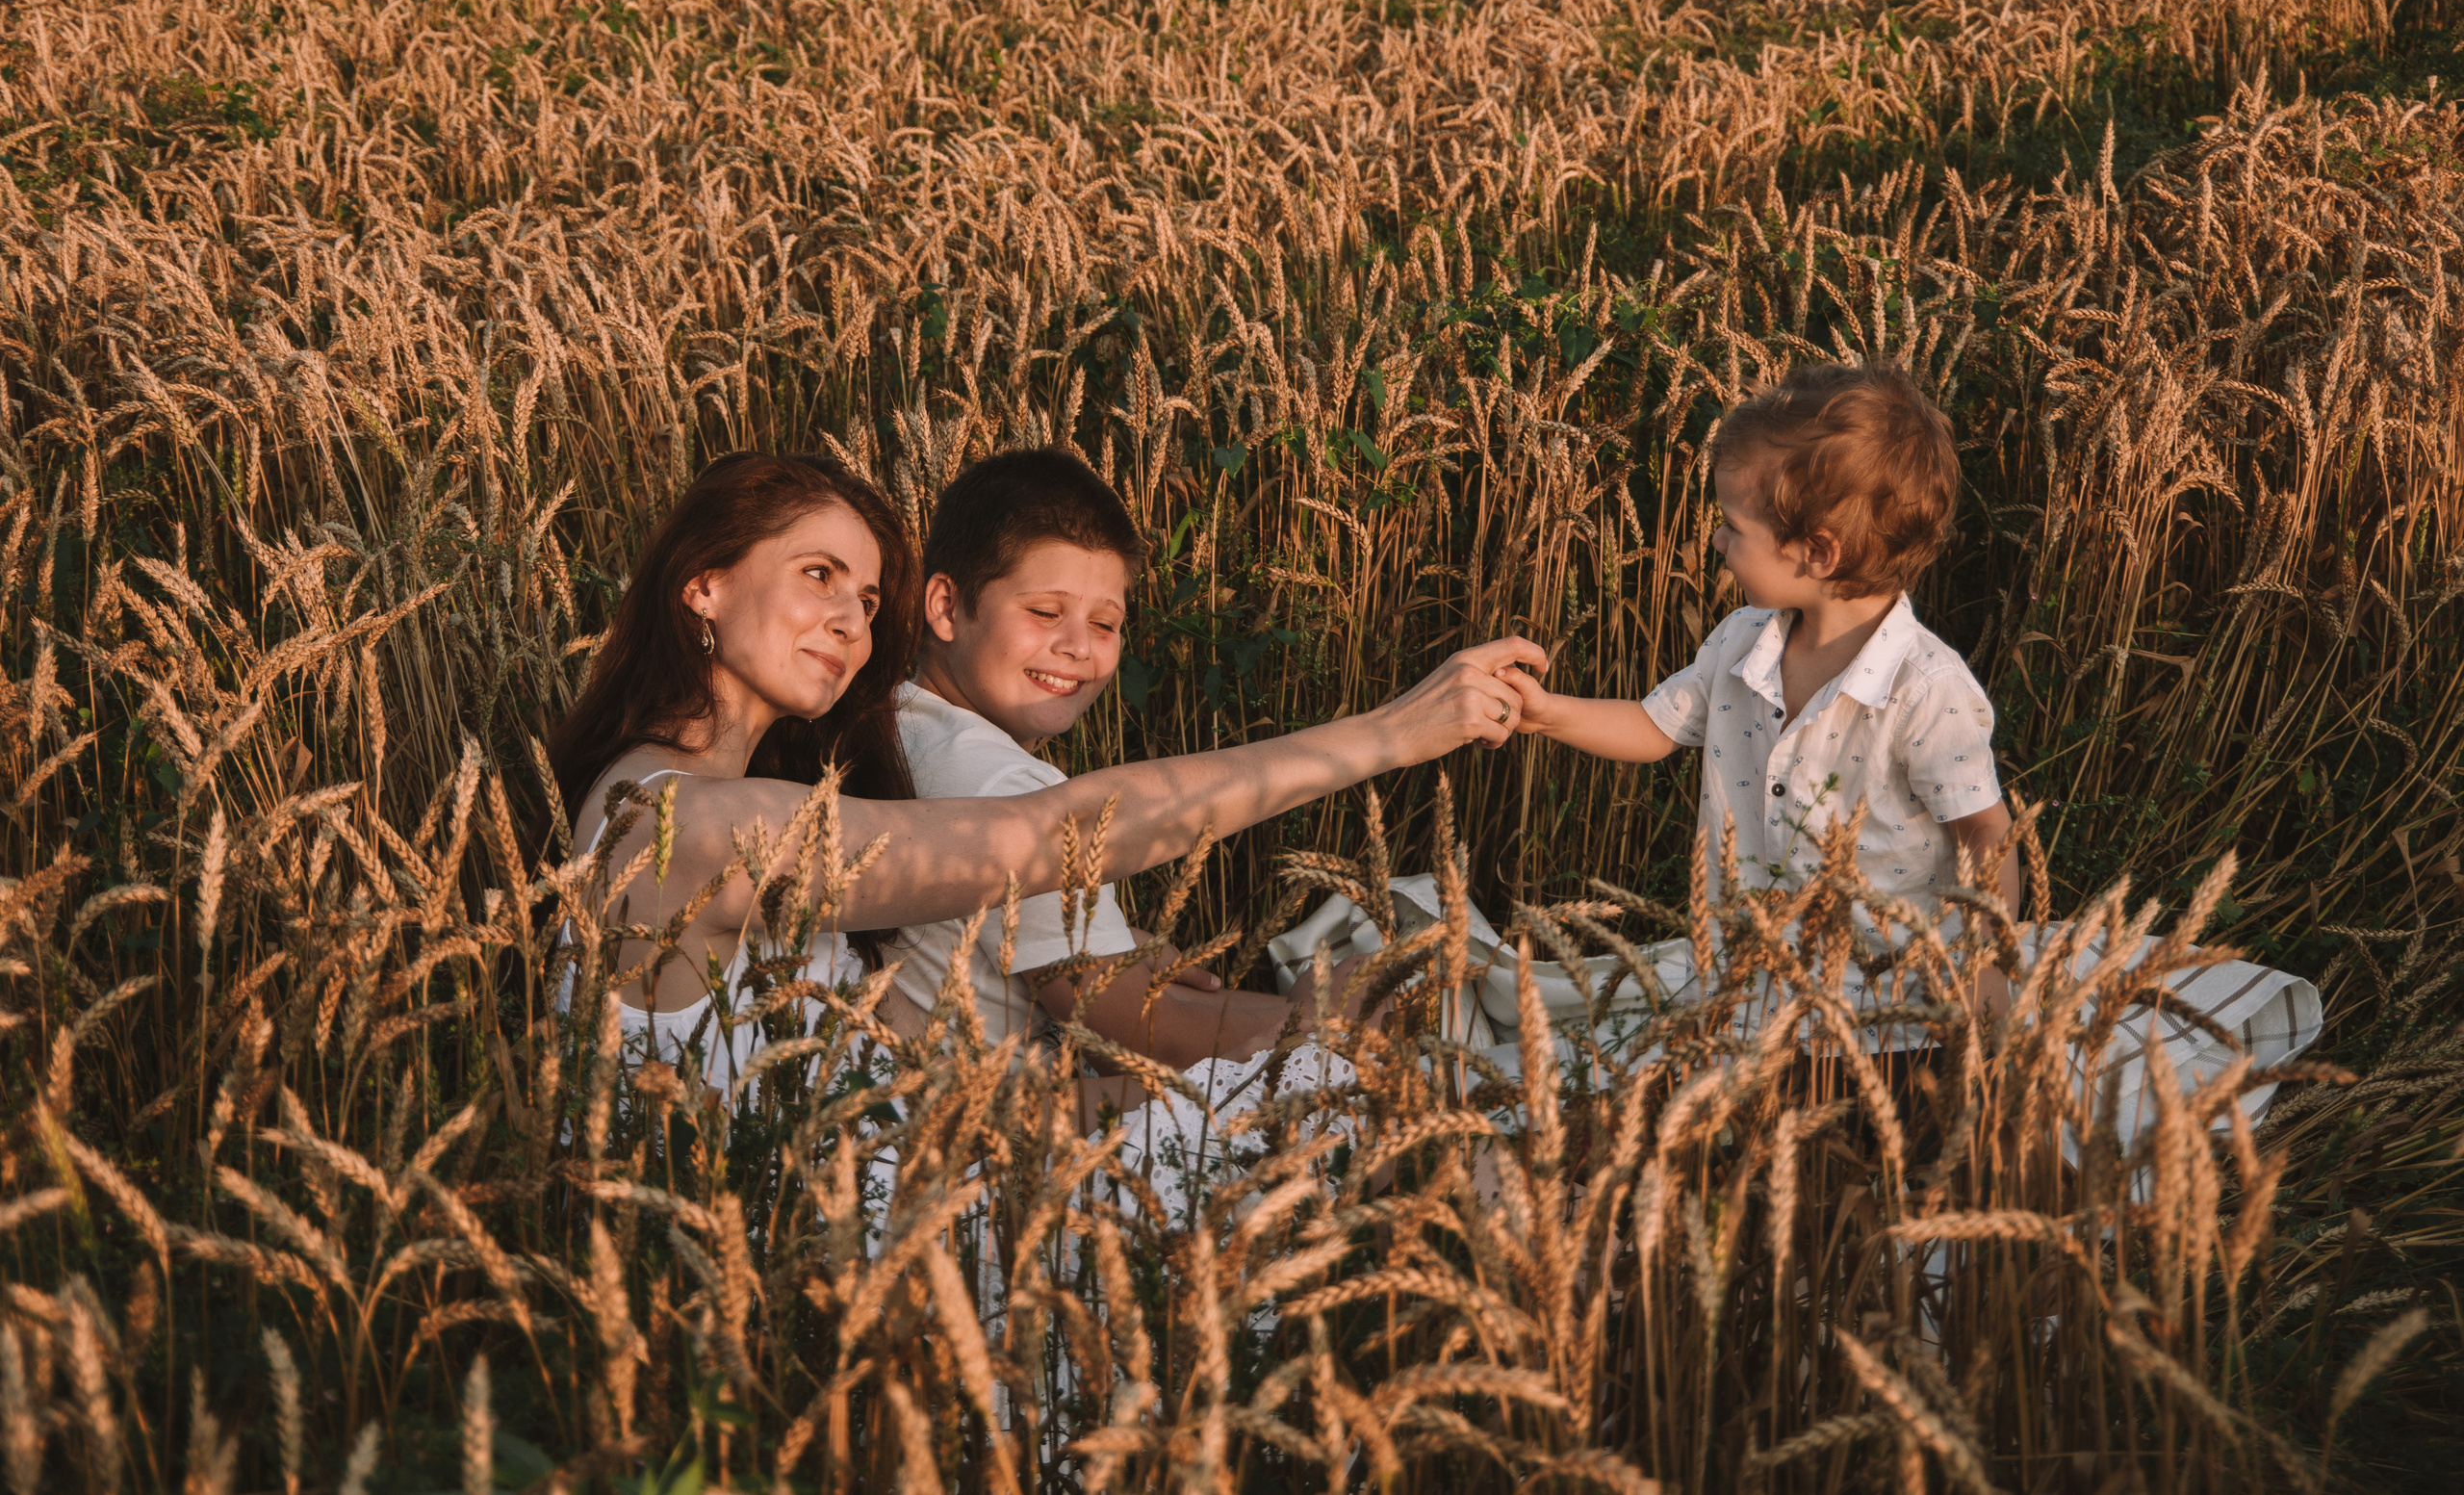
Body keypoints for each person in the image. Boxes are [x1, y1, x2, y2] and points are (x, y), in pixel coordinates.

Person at [544, 451, 1543, 1102]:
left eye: (865, 593)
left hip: (899, 1179)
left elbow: (883, 1068)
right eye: (816, 575)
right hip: (849, 1256)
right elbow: (1056, 833)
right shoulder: (681, 825)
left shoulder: (733, 788)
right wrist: (1389, 734)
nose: (852, 618)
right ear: (704, 584)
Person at [1502, 362, 2320, 1140]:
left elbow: (1984, 837)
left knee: (1856, 1143)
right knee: (1678, 1113)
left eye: (1733, 527)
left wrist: (1987, 986)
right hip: (1753, 987)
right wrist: (1545, 711)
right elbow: (1654, 726)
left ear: (1816, 553)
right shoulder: (1741, 641)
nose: (1716, 541)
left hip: (1890, 1006)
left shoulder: (1927, 689)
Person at [892, 447, 1355, 1068]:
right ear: (946, 607)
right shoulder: (1004, 783)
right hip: (1005, 1133)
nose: (1078, 647)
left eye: (1106, 624)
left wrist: (1114, 944)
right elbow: (1139, 1034)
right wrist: (1324, 1018)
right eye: (1044, 612)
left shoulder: (901, 725)